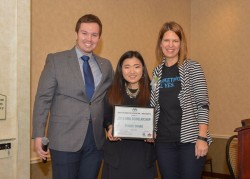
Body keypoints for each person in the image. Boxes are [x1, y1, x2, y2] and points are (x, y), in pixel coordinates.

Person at [32, 14, 114, 179]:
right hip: (64, 139)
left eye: (94, 34)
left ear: (99, 37)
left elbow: (109, 100)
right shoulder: (56, 60)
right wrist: (39, 134)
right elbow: (43, 99)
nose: (89, 39)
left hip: (95, 141)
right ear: (76, 34)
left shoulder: (106, 66)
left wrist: (111, 125)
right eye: (84, 33)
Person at [150, 21, 212, 179]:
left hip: (190, 141)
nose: (170, 45)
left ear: (181, 43)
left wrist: (202, 138)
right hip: (164, 142)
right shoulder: (156, 72)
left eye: (175, 40)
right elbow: (153, 106)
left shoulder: (192, 67)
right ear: (160, 43)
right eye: (166, 40)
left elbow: (203, 104)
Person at [102, 51, 156, 179]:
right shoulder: (112, 91)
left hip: (143, 153)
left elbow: (160, 117)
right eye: (127, 67)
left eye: (136, 66)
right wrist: (109, 128)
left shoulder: (153, 91)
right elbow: (106, 117)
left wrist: (154, 132)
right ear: (121, 70)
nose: (132, 71)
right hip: (117, 153)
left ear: (143, 68)